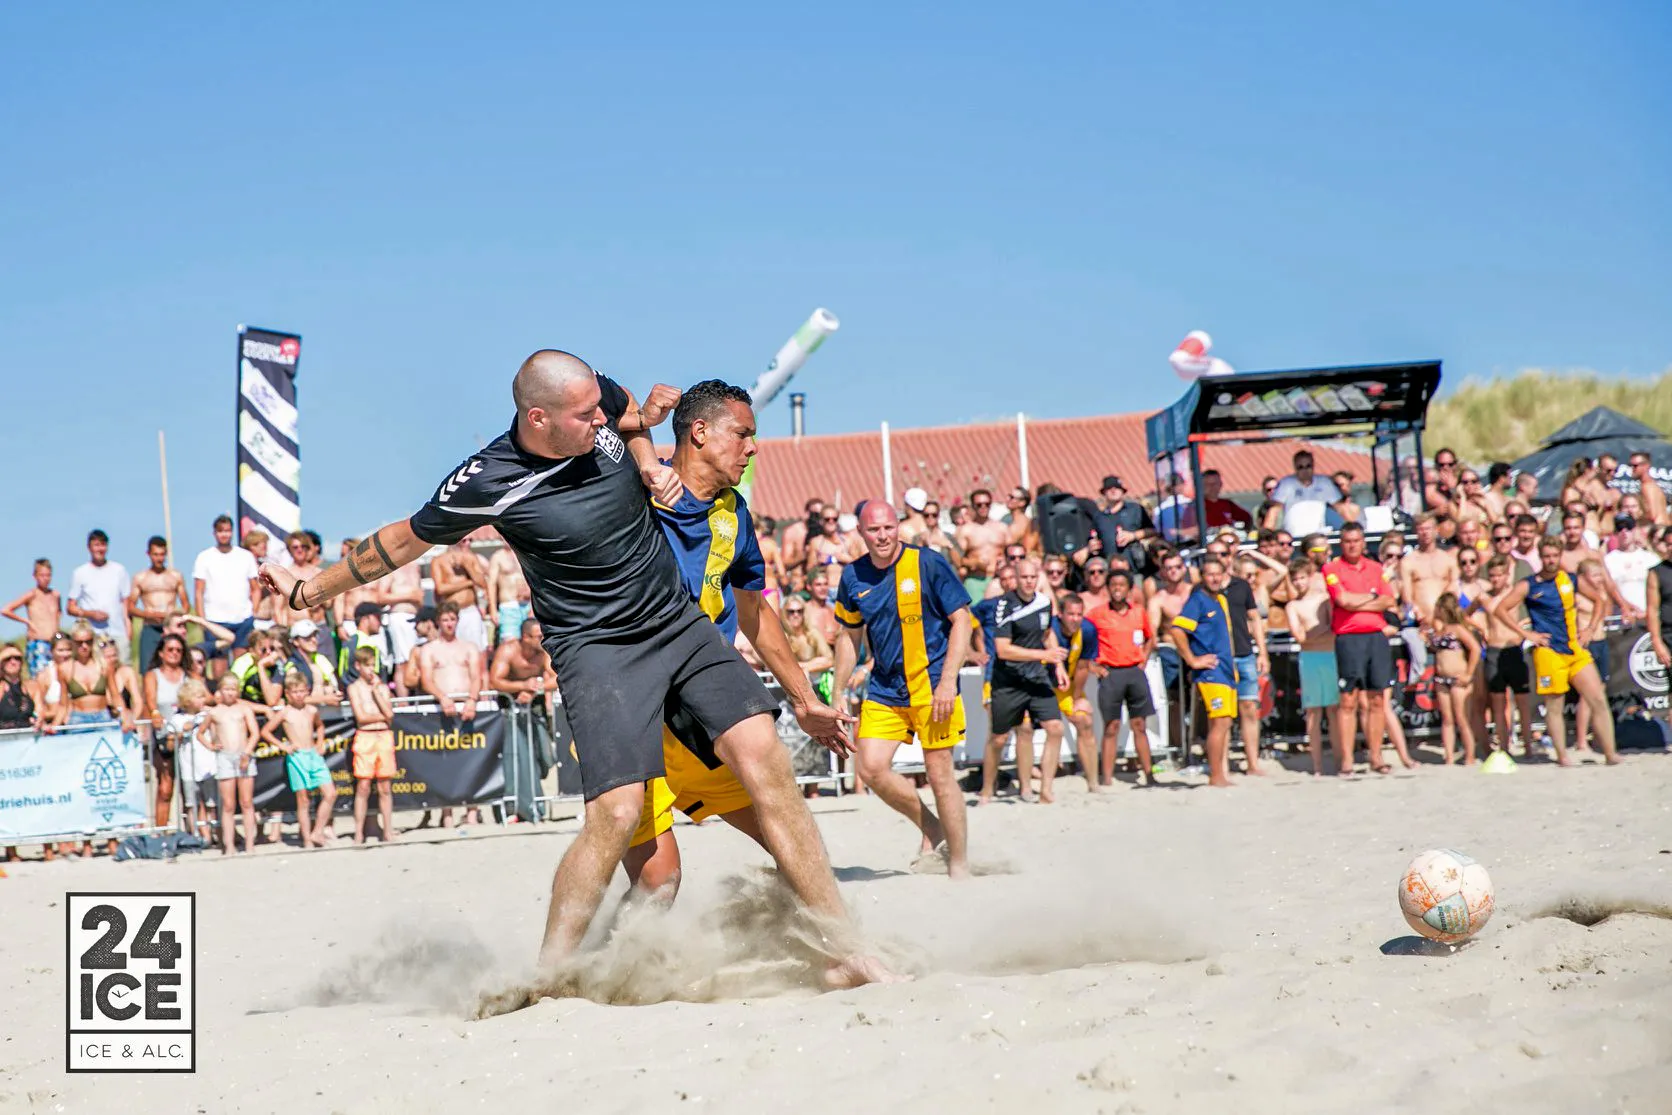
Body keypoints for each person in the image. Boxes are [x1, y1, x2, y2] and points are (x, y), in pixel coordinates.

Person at [257, 351, 887, 986]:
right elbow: (399, 541)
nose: (604, 419)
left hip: (675, 621)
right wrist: (307, 592)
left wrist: (644, 459)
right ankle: (547, 975)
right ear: (540, 418)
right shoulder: (487, 481)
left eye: (600, 407)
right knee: (616, 816)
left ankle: (846, 947)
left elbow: (633, 415)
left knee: (765, 757)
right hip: (597, 652)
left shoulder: (602, 404)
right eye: (587, 416)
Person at [622, 381, 852, 898]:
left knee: (793, 841)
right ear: (699, 432)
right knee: (660, 883)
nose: (753, 447)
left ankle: (827, 952)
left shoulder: (734, 512)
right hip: (635, 715)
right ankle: (605, 972)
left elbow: (754, 610)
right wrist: (641, 419)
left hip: (703, 711)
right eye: (742, 434)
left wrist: (805, 700)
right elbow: (592, 414)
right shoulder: (633, 489)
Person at [832, 499, 972, 875]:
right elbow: (848, 635)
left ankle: (958, 865)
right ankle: (931, 825)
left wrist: (947, 684)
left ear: (899, 527)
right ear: (861, 533)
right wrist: (837, 689)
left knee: (940, 774)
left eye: (888, 527)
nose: (882, 536)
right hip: (885, 689)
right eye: (873, 529)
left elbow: (963, 621)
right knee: (871, 768)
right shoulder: (853, 576)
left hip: (933, 688)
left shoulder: (927, 562)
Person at [1491, 537, 1620, 766]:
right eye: (1546, 556)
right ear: (1540, 557)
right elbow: (1500, 609)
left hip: (1573, 648)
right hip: (1548, 651)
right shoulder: (1529, 585)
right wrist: (1527, 635)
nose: (1550, 560)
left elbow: (1599, 600)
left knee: (1597, 699)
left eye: (1554, 556)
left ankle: (1610, 753)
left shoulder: (1570, 580)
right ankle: (1562, 756)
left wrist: (1590, 628)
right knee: (1554, 705)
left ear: (1560, 555)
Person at [979, 559, 1067, 803]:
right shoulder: (1004, 605)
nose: (1029, 581)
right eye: (1024, 577)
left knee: (1055, 728)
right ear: (1016, 578)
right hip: (1008, 678)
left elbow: (1047, 634)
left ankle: (1045, 789)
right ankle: (987, 788)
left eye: (1032, 577)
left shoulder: (1045, 603)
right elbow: (1003, 650)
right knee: (999, 738)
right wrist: (1044, 656)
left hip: (1036, 676)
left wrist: (1058, 664)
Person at [1322, 523, 1396, 776]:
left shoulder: (1376, 568)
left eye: (1356, 540)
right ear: (1340, 543)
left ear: (1364, 542)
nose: (1352, 545)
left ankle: (1376, 757)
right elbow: (1342, 600)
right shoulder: (1332, 568)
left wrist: (1358, 600)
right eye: (1347, 541)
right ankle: (1347, 760)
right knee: (1348, 700)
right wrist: (1371, 597)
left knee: (1377, 699)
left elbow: (1389, 600)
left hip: (1375, 637)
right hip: (1349, 638)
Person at [1169, 555, 1239, 788]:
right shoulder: (1197, 600)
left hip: (1226, 670)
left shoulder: (1220, 599)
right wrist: (1192, 659)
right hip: (1211, 672)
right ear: (1202, 576)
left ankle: (1220, 774)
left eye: (1218, 573)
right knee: (1219, 723)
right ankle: (1216, 776)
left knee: (1224, 722)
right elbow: (1177, 630)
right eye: (1210, 574)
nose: (1215, 578)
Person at [416, 601, 485, 828]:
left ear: (457, 621)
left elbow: (477, 676)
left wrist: (472, 700)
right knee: (444, 761)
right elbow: (426, 679)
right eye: (445, 620)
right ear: (438, 621)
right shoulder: (429, 649)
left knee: (471, 761)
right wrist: (442, 697)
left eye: (452, 619)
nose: (449, 624)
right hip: (441, 707)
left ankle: (472, 812)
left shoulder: (469, 647)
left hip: (466, 704)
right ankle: (447, 814)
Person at [1086, 571, 1155, 786]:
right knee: (1111, 726)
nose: (1117, 588)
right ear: (1107, 588)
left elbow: (1150, 637)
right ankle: (1106, 777)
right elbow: (1081, 638)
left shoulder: (1139, 612)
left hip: (1134, 671)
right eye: (1113, 584)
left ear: (1129, 589)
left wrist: (1143, 659)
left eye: (1122, 585)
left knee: (1139, 725)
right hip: (1111, 673)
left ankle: (1149, 774)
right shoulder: (1096, 614)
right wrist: (1091, 666)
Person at [263, 670, 336, 846]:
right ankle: (306, 839)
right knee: (303, 799)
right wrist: (284, 746)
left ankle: (317, 831)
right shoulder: (285, 713)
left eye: (302, 691)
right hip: (297, 757)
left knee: (331, 793)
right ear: (287, 694)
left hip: (312, 754)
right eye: (295, 692)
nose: (299, 695)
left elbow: (319, 726)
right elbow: (265, 731)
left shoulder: (311, 710)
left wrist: (320, 743)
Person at [1284, 559, 1338, 777]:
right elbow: (1300, 638)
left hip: (1330, 656)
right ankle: (1316, 765)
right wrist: (1319, 632)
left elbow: (1334, 628)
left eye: (1302, 577)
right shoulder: (1293, 606)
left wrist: (1311, 635)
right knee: (1313, 713)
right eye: (1294, 579)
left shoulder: (1324, 600)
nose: (1298, 583)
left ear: (1310, 577)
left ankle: (1339, 759)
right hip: (1310, 659)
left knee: (1334, 710)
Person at [1479, 556, 1534, 754]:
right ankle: (1503, 748)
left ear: (1506, 575)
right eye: (1492, 576)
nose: (1495, 580)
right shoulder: (1484, 598)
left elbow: (1531, 615)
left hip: (1513, 649)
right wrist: (1481, 628)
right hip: (1494, 651)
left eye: (1499, 575)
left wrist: (1524, 628)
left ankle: (1528, 746)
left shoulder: (1515, 595)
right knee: (1498, 704)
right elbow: (1464, 615)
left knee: (1523, 702)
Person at [201, 672, 260, 854]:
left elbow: (255, 733)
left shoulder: (244, 710)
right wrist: (211, 745)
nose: (230, 693)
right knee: (228, 804)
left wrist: (247, 752)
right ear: (220, 691)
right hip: (225, 756)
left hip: (243, 755)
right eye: (226, 689)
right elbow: (200, 732)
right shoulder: (215, 712)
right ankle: (229, 845)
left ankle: (250, 843)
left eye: (233, 690)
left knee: (247, 802)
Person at [192, 514, 260, 666]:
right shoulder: (204, 557)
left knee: (242, 666)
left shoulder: (245, 556)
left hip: (242, 619)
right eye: (221, 531)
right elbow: (198, 592)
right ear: (214, 533)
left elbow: (255, 588)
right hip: (214, 619)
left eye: (228, 531)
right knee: (218, 669)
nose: (224, 534)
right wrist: (202, 620)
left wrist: (253, 611)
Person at [346, 647, 397, 844]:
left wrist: (376, 692)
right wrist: (381, 716)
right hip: (366, 737)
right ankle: (359, 832)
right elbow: (361, 717)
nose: (371, 670)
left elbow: (390, 716)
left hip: (383, 736)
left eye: (372, 665)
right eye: (367, 666)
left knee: (385, 787)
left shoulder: (382, 688)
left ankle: (388, 831)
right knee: (364, 786)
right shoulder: (354, 688)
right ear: (358, 666)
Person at [1051, 592, 1099, 788]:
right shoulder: (1050, 627)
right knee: (1039, 728)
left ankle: (1093, 781)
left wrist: (1077, 697)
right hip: (1043, 684)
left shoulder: (1087, 630)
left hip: (1068, 685)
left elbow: (1083, 666)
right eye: (1071, 614)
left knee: (1085, 721)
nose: (1075, 619)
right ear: (1060, 614)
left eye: (1079, 614)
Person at [1428, 593, 1482, 764]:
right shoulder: (1439, 630)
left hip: (1459, 678)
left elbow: (1475, 649)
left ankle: (1470, 756)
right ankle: (1449, 756)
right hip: (1442, 679)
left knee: (1462, 719)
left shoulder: (1458, 629)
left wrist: (1468, 674)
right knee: (1447, 719)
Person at [66, 529, 130, 666]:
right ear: (89, 547)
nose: (100, 549)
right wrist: (91, 614)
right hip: (92, 635)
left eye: (102, 545)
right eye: (96, 545)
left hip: (117, 632)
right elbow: (70, 607)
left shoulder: (119, 570)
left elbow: (126, 603)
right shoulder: (80, 573)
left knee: (124, 671)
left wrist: (128, 632)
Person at [165, 678, 217, 843]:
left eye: (203, 696)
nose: (203, 700)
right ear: (187, 700)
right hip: (189, 768)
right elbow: (170, 744)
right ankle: (196, 834)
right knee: (192, 803)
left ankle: (213, 832)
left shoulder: (208, 714)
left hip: (209, 766)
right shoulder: (178, 719)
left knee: (211, 802)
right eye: (198, 697)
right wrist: (181, 733)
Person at [129, 536, 189, 677]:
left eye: (162, 554)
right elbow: (131, 607)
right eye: (155, 554)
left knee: (177, 666)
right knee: (148, 670)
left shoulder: (175, 576)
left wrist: (178, 619)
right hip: (151, 627)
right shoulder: (141, 577)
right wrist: (150, 615)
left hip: (170, 628)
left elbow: (185, 603)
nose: (159, 558)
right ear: (148, 554)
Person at [3, 558, 61, 680]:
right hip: (38, 642)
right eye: (42, 575)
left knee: (57, 678)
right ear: (35, 576)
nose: (46, 578)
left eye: (48, 575)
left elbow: (58, 614)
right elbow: (6, 610)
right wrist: (27, 621)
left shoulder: (55, 595)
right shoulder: (32, 594)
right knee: (39, 678)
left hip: (54, 643)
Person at [1268, 451, 1346, 536]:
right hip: (1293, 536)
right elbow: (1274, 511)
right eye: (1300, 467)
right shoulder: (1286, 483)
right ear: (1295, 468)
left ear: (1313, 466)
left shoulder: (1324, 482)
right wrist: (1267, 535)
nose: (1305, 470)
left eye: (1308, 466)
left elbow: (1341, 508)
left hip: (1317, 537)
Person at [1087, 476, 1154, 573]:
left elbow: (1154, 531)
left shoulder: (1135, 509)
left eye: (1117, 488)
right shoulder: (1099, 517)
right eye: (1109, 488)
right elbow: (1093, 539)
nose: (1113, 491)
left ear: (1123, 491)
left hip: (1136, 568)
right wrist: (1093, 546)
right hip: (1110, 570)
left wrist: (1133, 536)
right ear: (1104, 493)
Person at [1400, 513, 1459, 623]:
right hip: (1422, 619)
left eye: (1428, 528)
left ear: (1436, 530)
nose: (1425, 532)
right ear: (1416, 532)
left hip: (1446, 619)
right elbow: (1407, 595)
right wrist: (1417, 612)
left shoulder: (1449, 560)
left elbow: (1455, 586)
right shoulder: (1408, 562)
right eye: (1421, 529)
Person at [432, 540, 490, 650]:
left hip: (470, 611)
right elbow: (440, 589)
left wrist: (467, 566)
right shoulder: (438, 560)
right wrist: (469, 582)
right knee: (451, 650)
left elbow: (482, 583)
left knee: (476, 649)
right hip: (450, 614)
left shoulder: (470, 558)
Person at [378, 561, 425, 696]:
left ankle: (417, 697)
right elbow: (381, 597)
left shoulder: (415, 567)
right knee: (402, 661)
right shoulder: (391, 567)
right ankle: (403, 701)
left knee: (416, 661)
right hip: (399, 617)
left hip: (416, 619)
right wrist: (409, 596)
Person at [955, 488, 1010, 599]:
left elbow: (1012, 552)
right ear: (973, 506)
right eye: (979, 504)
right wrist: (974, 562)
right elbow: (956, 559)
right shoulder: (965, 530)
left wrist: (1005, 560)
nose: (983, 507)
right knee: (974, 616)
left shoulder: (1002, 528)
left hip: (999, 580)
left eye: (987, 504)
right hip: (975, 580)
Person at [1647, 526, 1672, 737]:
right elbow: (1652, 609)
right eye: (1669, 543)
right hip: (1669, 633)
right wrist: (1656, 640)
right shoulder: (1657, 572)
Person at [1604, 516, 1657, 614]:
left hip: (1648, 614)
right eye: (1620, 528)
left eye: (1628, 528)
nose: (1624, 532)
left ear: (1635, 530)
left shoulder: (1651, 558)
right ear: (1615, 533)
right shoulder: (1608, 560)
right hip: (1622, 617)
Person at [280, 620, 341, 705]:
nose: (314, 640)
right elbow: (293, 700)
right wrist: (324, 699)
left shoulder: (320, 660)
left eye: (315, 635)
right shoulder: (293, 668)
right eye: (307, 637)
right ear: (296, 641)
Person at [486, 544, 531, 646]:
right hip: (509, 607)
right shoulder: (498, 557)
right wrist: (493, 609)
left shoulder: (524, 553)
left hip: (527, 606)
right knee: (509, 644)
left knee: (531, 644)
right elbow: (491, 584)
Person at [779, 497, 823, 572]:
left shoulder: (827, 530)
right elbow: (784, 563)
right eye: (815, 514)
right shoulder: (792, 532)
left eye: (820, 514)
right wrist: (804, 555)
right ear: (807, 513)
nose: (817, 518)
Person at [1630, 452, 1667, 525]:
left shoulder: (1647, 486)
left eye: (1635, 466)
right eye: (1630, 465)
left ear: (1646, 466)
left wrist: (1634, 516)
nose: (1632, 469)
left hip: (1657, 529)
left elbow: (1653, 514)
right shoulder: (1653, 485)